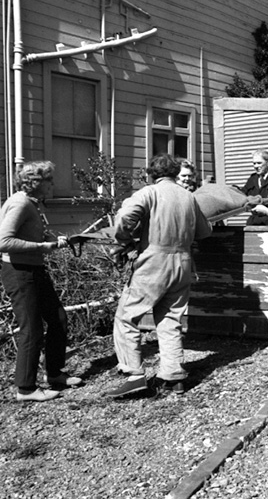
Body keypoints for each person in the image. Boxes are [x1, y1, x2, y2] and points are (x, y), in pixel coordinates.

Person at [108, 154, 212, 398]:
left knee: (127, 317)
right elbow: (204, 231)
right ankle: (173, 376)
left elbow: (124, 218)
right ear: (176, 174)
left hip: (154, 263)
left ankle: (133, 375)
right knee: (169, 320)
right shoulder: (188, 196)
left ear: (150, 174)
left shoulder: (149, 193)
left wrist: (124, 240)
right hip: (183, 263)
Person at [0, 160, 83, 402]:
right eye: (49, 180)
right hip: (19, 271)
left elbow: (29, 233)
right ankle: (25, 389)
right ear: (36, 183)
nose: (53, 184)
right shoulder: (20, 203)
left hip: (33, 269)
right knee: (31, 329)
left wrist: (54, 240)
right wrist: (41, 246)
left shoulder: (31, 203)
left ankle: (54, 374)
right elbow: (3, 241)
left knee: (58, 318)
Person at [242, 149, 268, 226]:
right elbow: (243, 194)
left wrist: (262, 201)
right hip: (254, 220)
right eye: (254, 163)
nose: (256, 166)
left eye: (259, 163)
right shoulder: (252, 179)